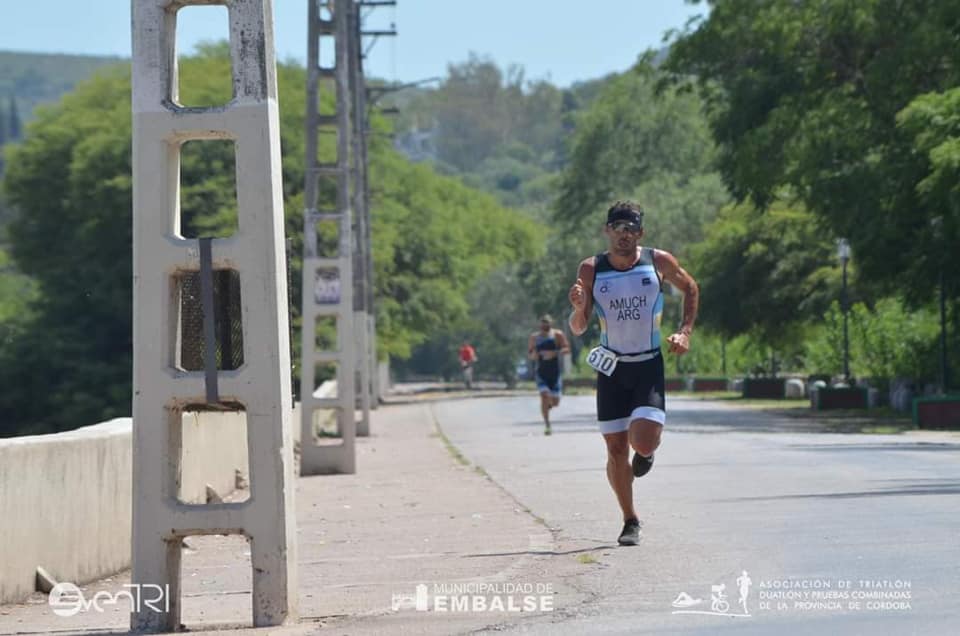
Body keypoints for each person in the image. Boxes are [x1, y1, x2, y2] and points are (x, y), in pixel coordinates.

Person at [568, 200, 699, 546]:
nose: (624, 235)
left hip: (647, 364)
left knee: (642, 440)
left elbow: (690, 287)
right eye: (618, 228)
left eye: (631, 229)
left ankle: (646, 452)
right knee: (615, 450)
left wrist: (685, 332)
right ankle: (630, 520)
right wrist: (578, 307)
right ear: (607, 231)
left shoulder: (658, 262)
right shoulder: (591, 269)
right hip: (611, 368)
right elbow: (579, 327)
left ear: (640, 233)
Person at [527, 315, 570, 436]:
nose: (545, 325)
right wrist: (534, 355)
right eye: (543, 323)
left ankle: (548, 405)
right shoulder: (534, 337)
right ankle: (547, 424)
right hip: (541, 372)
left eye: (547, 323)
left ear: (551, 323)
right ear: (539, 324)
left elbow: (566, 349)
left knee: (555, 402)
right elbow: (530, 353)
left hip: (555, 373)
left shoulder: (557, 335)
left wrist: (555, 353)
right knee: (544, 395)